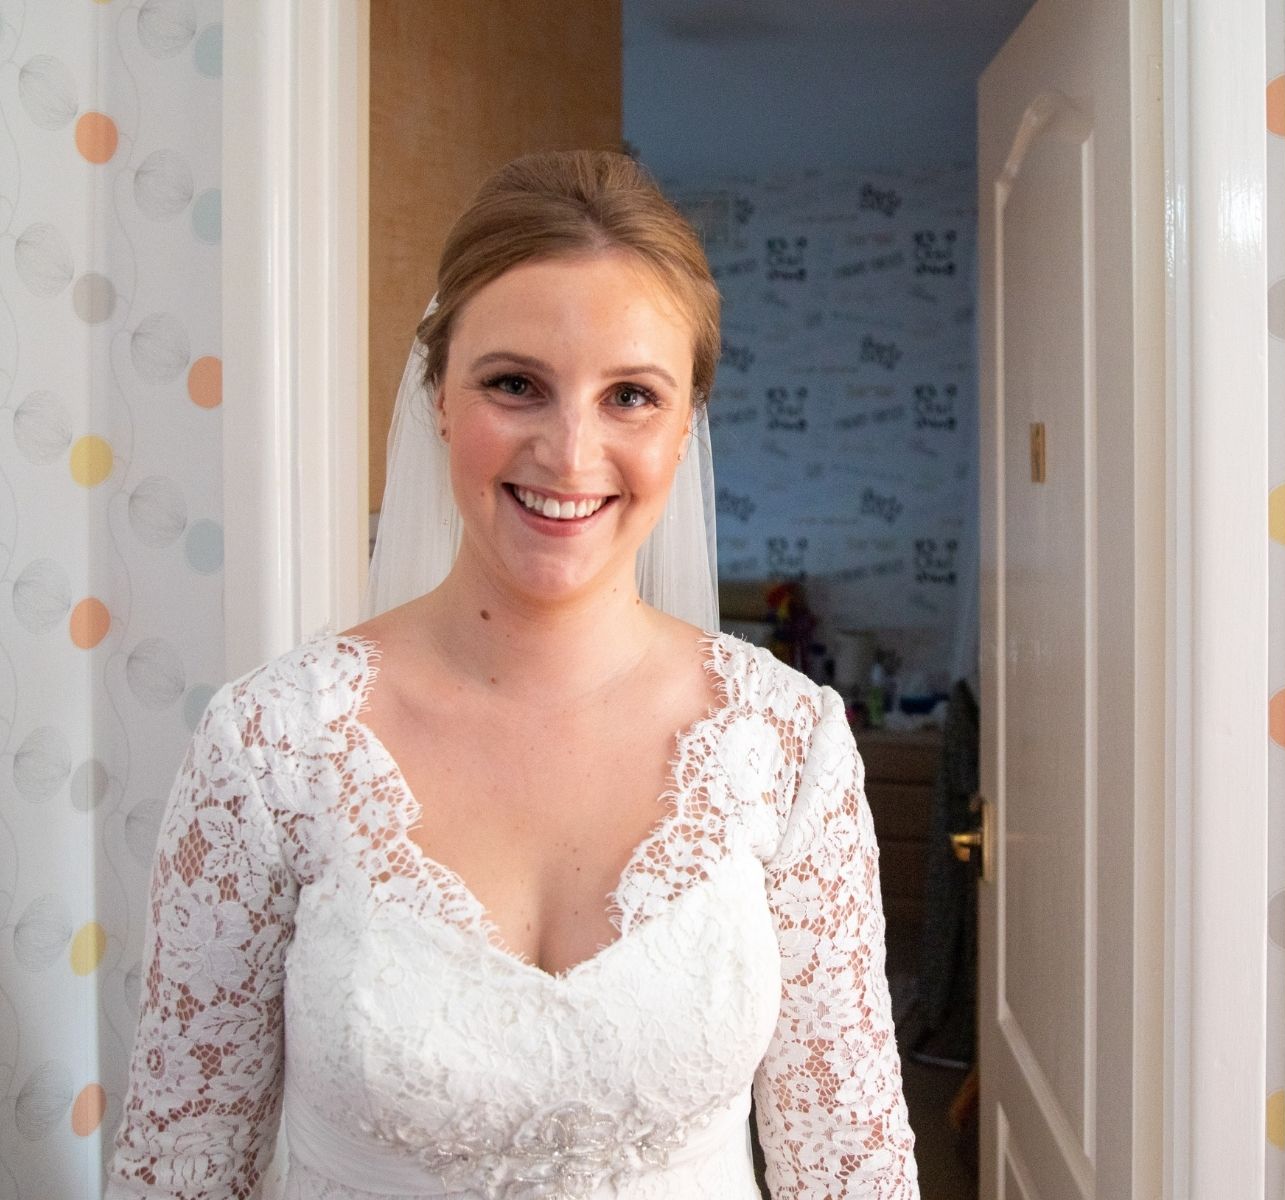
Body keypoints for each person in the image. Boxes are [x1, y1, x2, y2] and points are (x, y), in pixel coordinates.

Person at [106, 151, 919, 1199]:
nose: (571, 453)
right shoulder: (272, 744)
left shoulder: (787, 744)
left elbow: (850, 1166)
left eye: (630, 395)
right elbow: (180, 1171)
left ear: (685, 429)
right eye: (515, 385)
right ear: (440, 395)